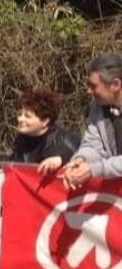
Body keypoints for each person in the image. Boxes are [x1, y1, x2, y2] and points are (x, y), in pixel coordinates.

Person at [39, 52, 122, 186]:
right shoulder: (97, 106)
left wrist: (94, 169)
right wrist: (81, 160)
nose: (89, 91)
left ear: (115, 85)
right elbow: (93, 144)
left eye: (93, 86)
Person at [0, 89, 79, 174]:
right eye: (20, 114)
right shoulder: (23, 139)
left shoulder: (64, 140)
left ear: (45, 121)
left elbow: (83, 157)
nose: (20, 119)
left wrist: (62, 159)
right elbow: (15, 164)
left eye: (27, 116)